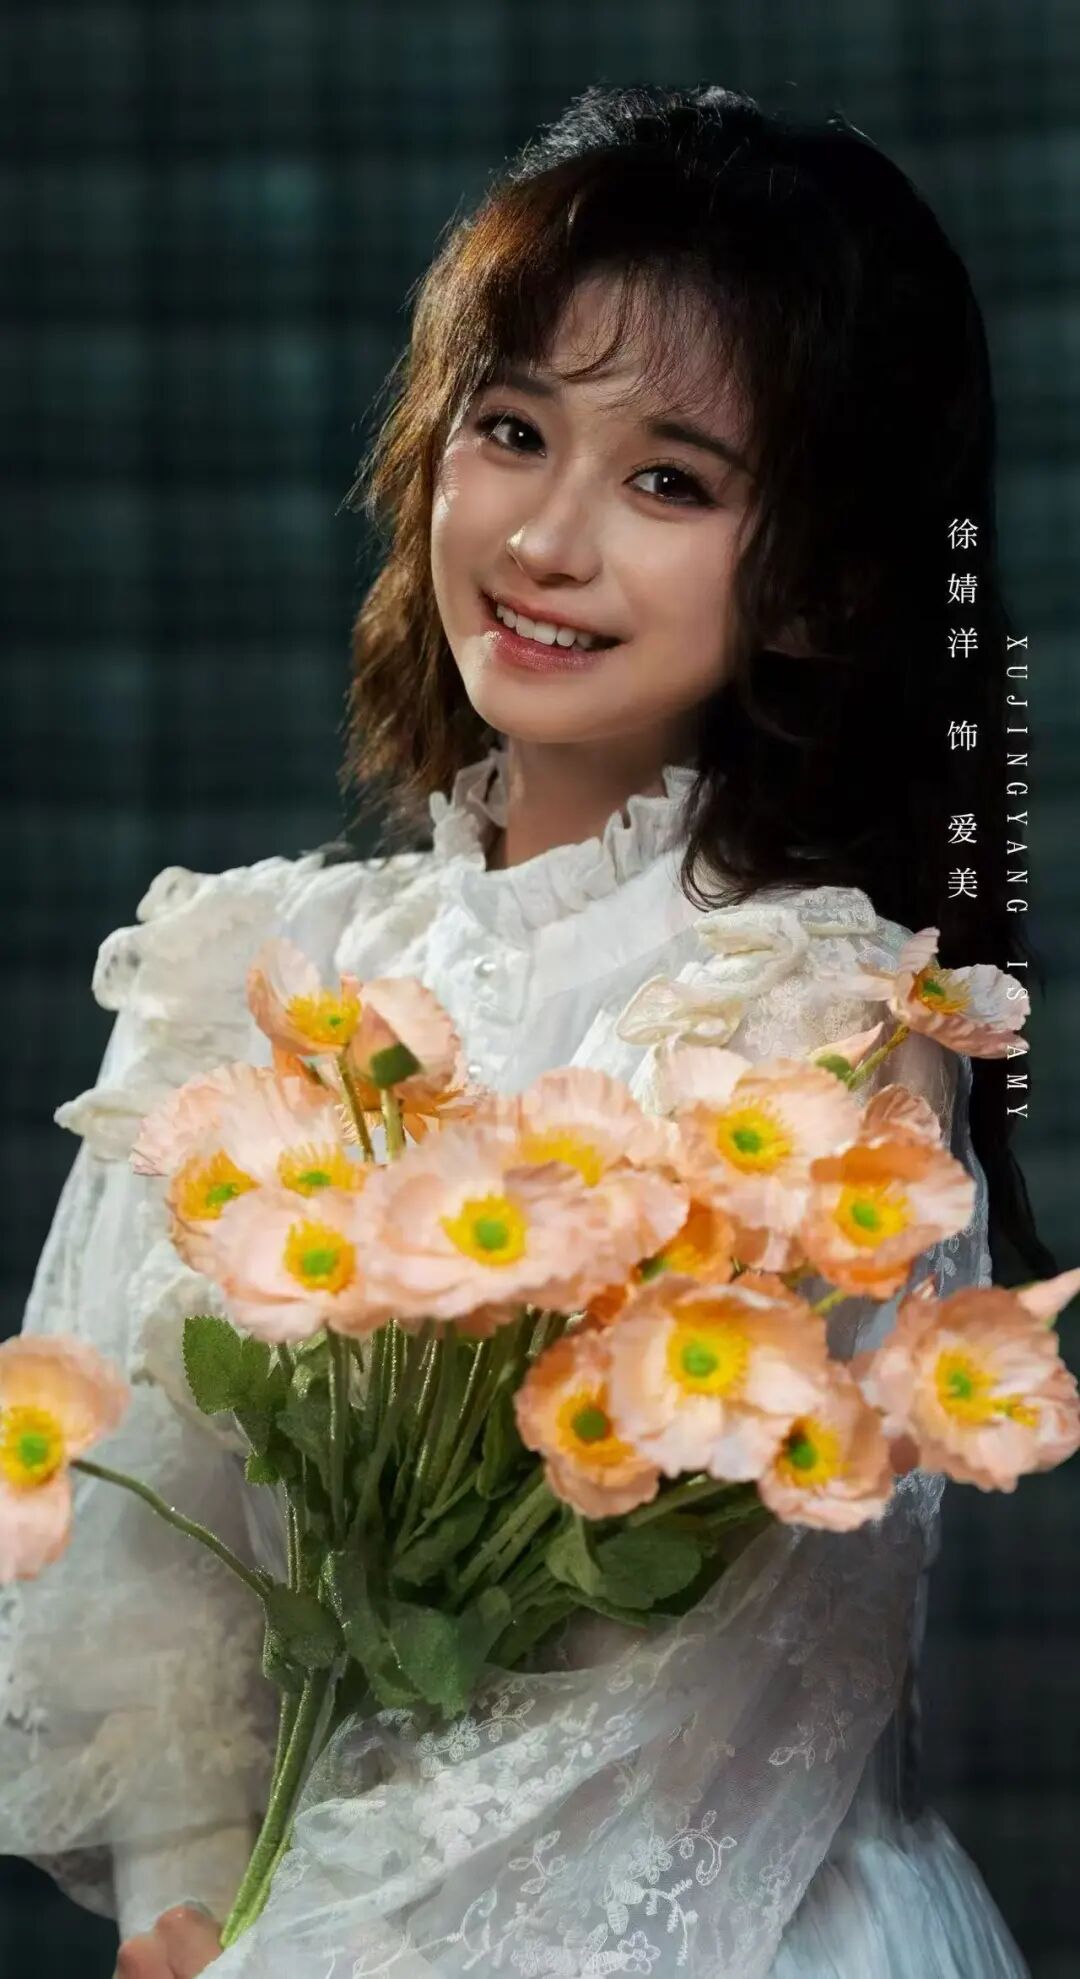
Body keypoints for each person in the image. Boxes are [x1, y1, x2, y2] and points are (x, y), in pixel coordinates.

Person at [1, 83, 1049, 1977]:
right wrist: (195, 1908)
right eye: (511, 430)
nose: (548, 537)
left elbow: (698, 1732)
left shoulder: (818, 1033)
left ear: (825, 581)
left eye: (672, 482)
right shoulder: (256, 969)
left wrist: (303, 1960)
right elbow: (141, 1581)